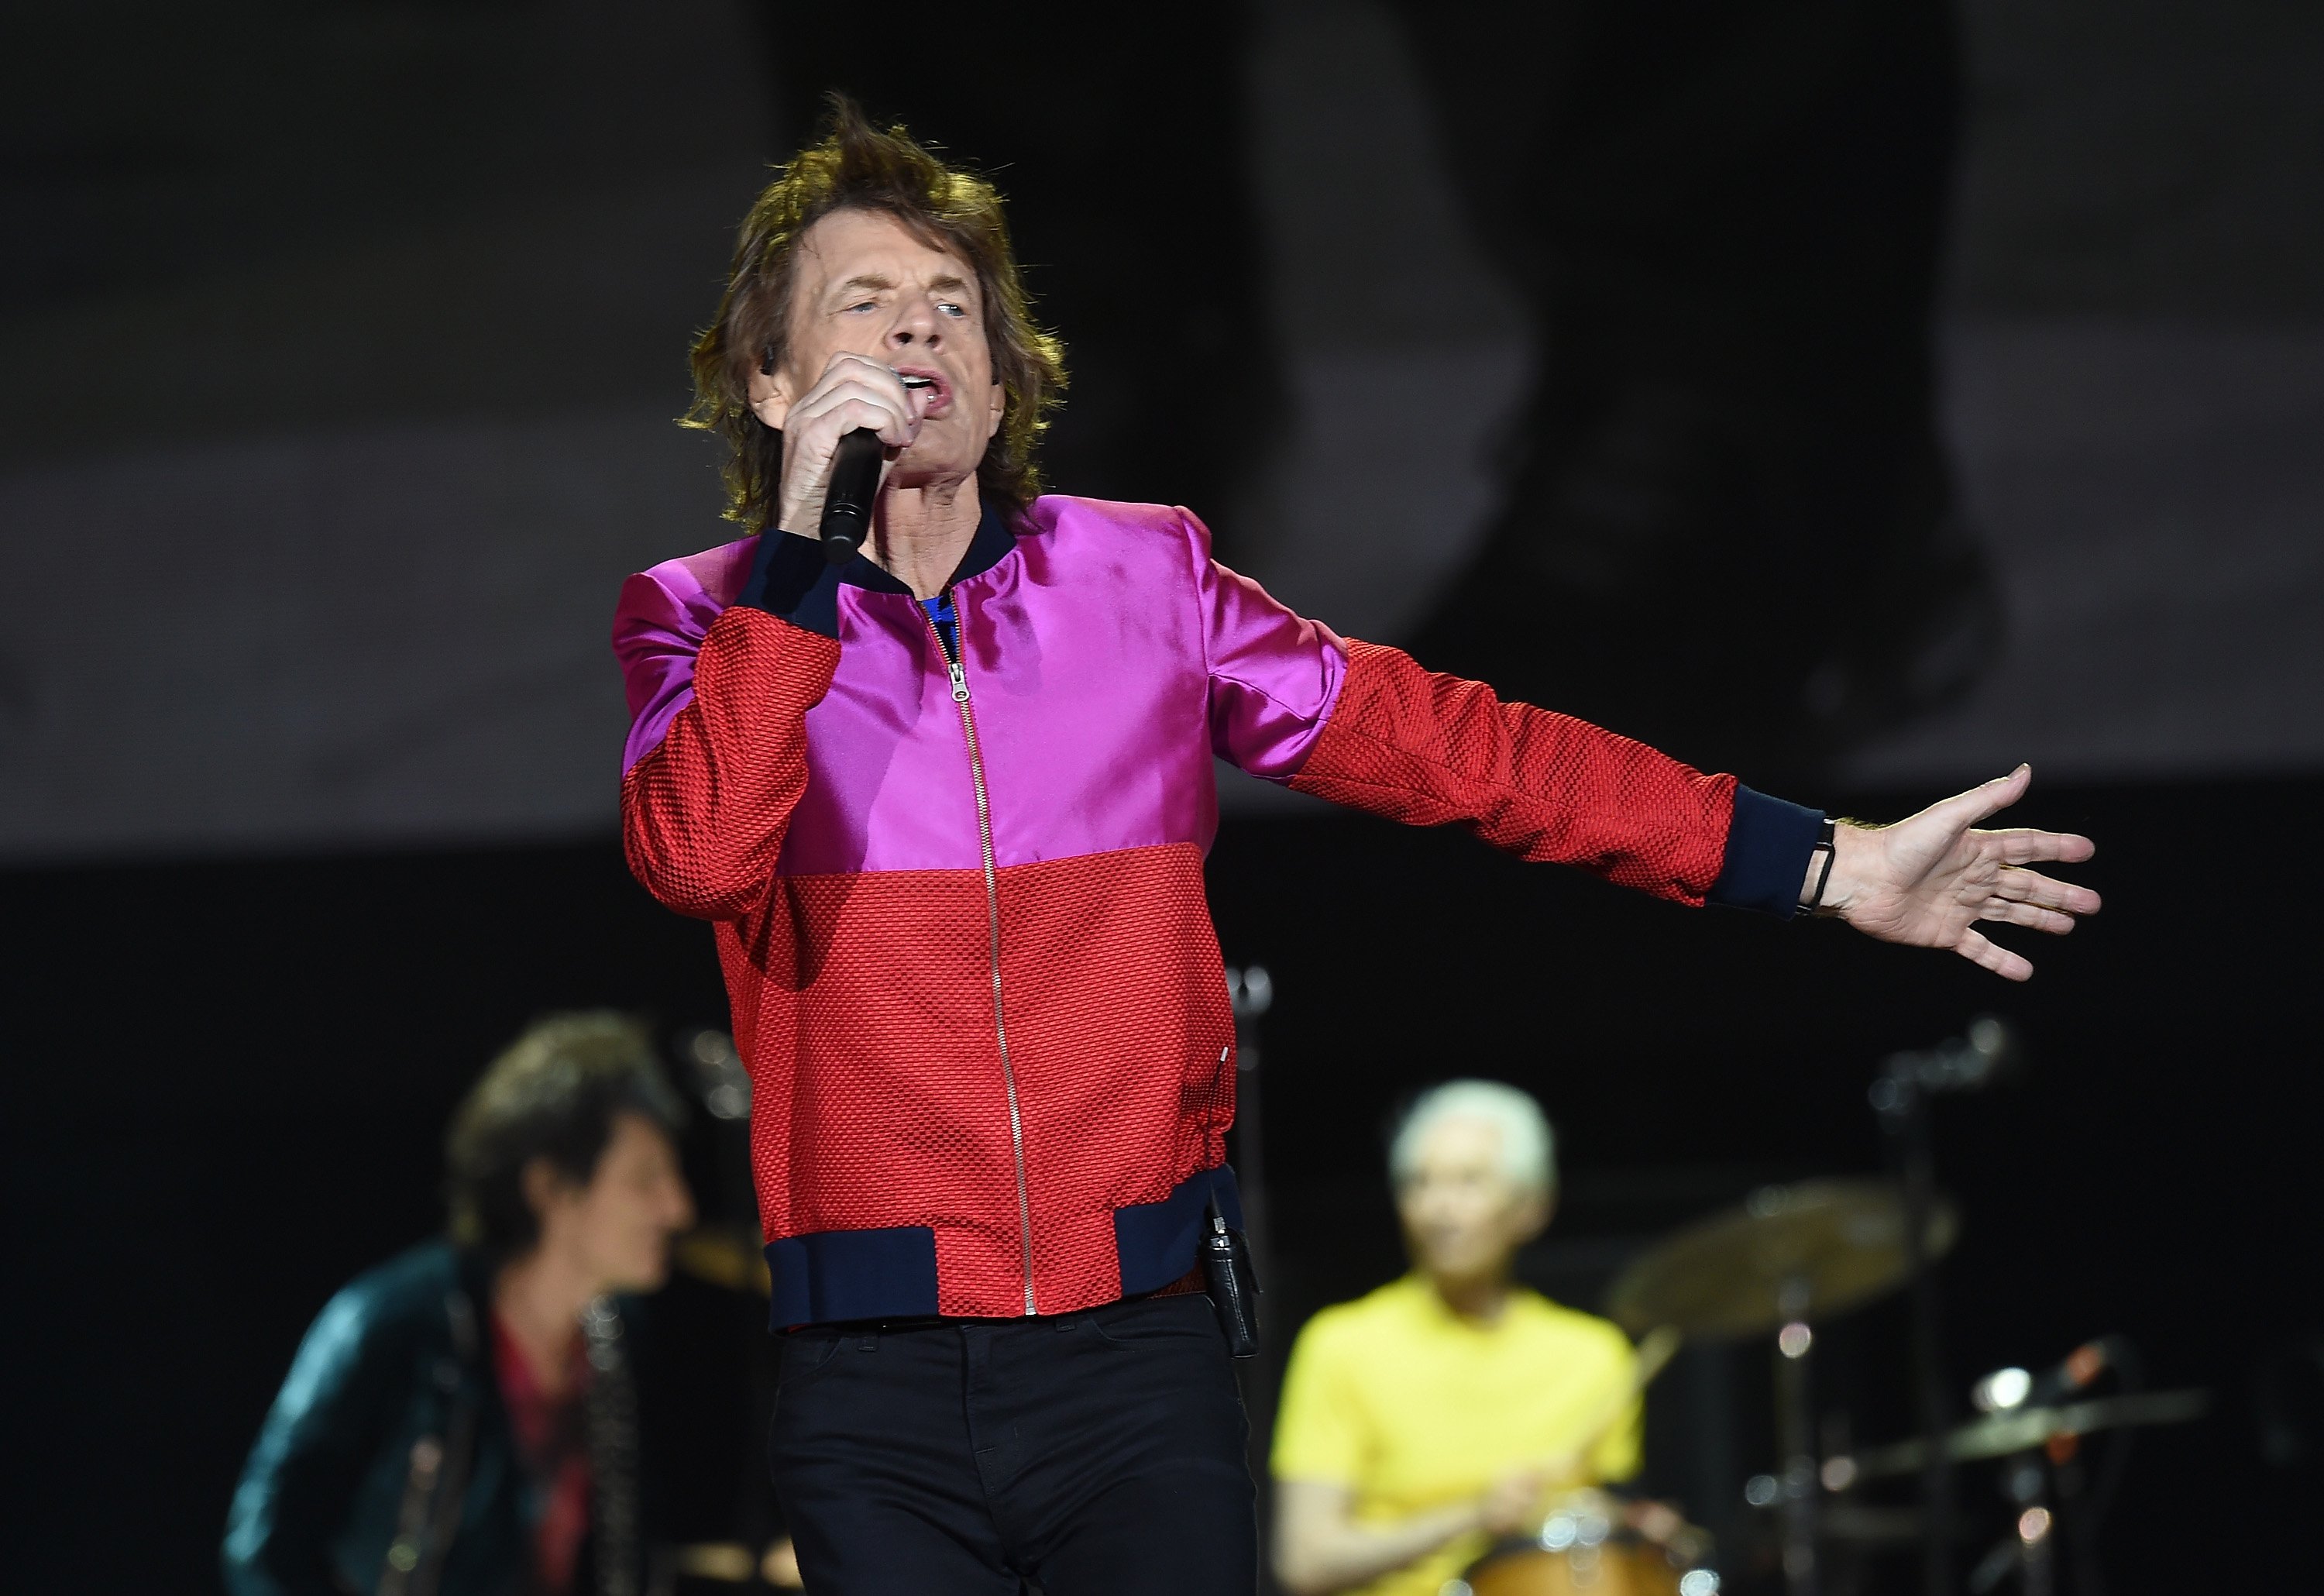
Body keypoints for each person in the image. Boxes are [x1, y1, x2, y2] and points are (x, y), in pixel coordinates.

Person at [612, 98, 2099, 1596]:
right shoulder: (704, 616)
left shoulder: (1146, 583)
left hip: (1136, 1363)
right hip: (872, 1384)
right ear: (773, 376)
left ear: (1004, 387)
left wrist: (1828, 860)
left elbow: (1469, 751)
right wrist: (800, 565)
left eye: (954, 310)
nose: (919, 338)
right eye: (866, 310)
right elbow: (698, 858)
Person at [222, 1014, 696, 1596]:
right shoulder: (391, 1323)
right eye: (646, 1179)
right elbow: (265, 1549)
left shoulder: (618, 1335)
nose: (677, 1209)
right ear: (550, 1187)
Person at [1272, 1082, 1654, 1596]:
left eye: (1470, 1182)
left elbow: (1596, 1531)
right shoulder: (1341, 1344)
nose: (1438, 1209)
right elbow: (1305, 1561)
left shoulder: (1594, 1355)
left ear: (1531, 1207)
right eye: (1420, 1183)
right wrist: (1471, 1517)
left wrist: (1637, 1533)